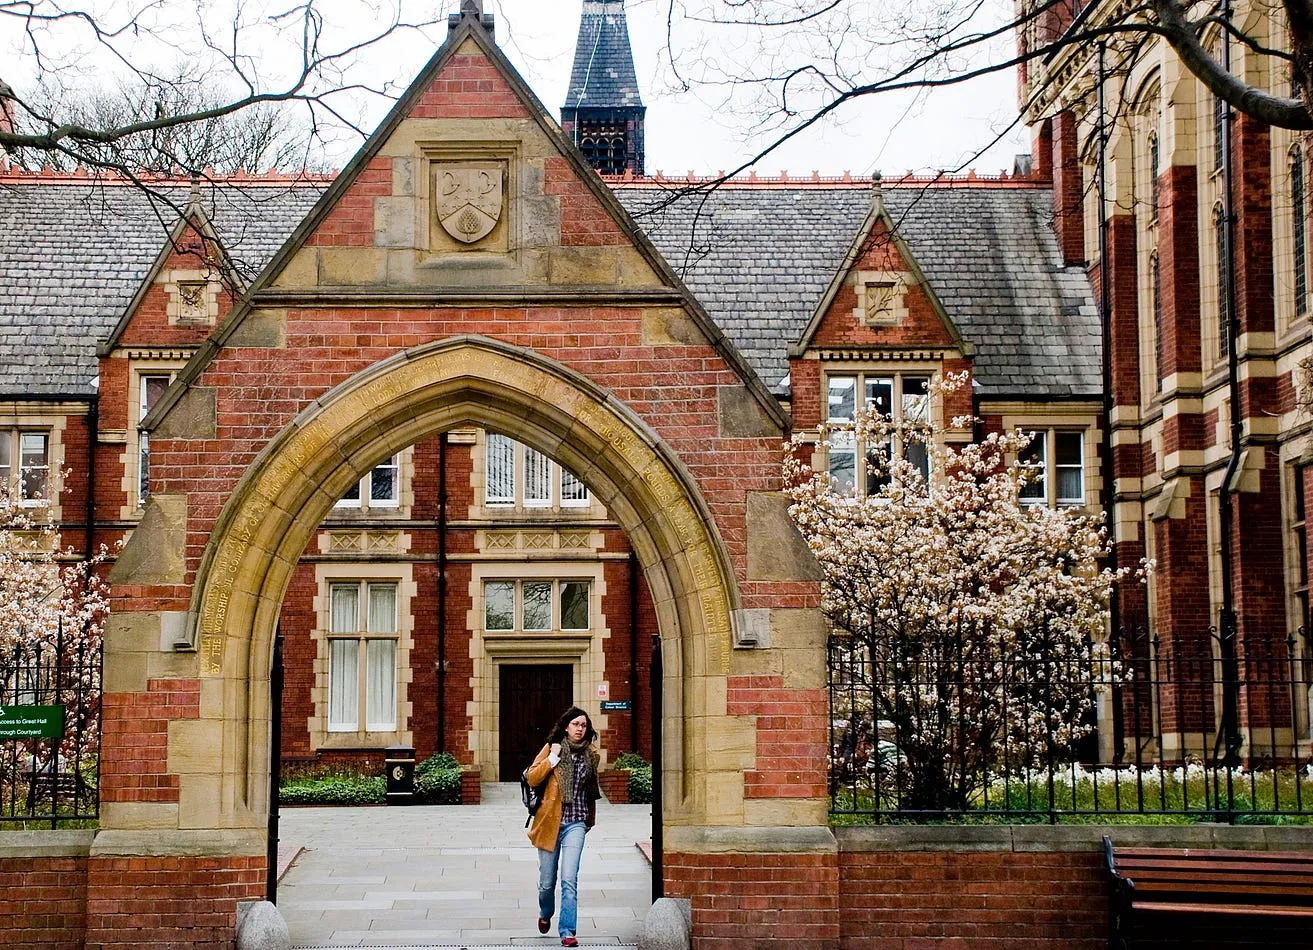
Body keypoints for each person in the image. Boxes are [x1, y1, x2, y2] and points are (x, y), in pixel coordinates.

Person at [525, 706, 601, 947]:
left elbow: (591, 792)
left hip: (576, 823)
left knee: (569, 879)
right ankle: (545, 913)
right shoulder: (552, 748)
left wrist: (589, 820)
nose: (580, 729)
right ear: (566, 727)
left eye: (584, 725)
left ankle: (567, 931)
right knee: (547, 883)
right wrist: (552, 758)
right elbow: (532, 777)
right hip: (549, 822)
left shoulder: (591, 754)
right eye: (576, 724)